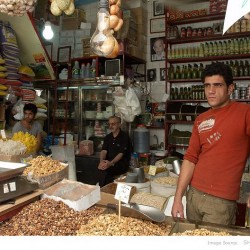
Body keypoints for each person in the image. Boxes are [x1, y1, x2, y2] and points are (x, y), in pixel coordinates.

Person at [171, 62, 250, 226]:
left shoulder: (245, 113)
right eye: (207, 85)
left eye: (218, 85)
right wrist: (178, 197)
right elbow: (190, 158)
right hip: (194, 196)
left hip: (221, 202)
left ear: (230, 88)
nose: (211, 91)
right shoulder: (201, 119)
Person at [97, 115, 131, 187]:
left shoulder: (124, 137)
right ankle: (103, 190)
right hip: (108, 163)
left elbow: (121, 154)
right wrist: (101, 161)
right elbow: (104, 151)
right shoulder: (108, 137)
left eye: (113, 124)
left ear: (119, 124)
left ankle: (106, 191)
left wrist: (111, 163)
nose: (110, 126)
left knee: (105, 171)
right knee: (100, 168)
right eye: (109, 124)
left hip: (120, 165)